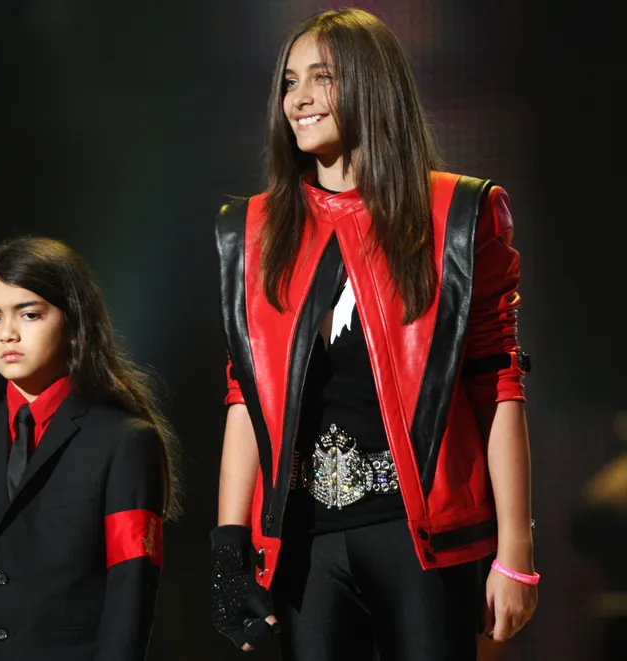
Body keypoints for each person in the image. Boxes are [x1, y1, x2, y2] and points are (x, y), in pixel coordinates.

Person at [209, 8, 537, 661]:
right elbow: (245, 395)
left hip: (424, 535)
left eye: (320, 78)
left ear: (370, 84)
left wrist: (516, 553)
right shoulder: (252, 232)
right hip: (307, 542)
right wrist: (229, 546)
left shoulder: (460, 214)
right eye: (288, 82)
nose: (297, 99)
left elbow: (497, 381)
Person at [0, 236, 180, 661]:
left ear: (75, 325)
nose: (7, 333)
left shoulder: (124, 442)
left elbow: (131, 587)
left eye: (29, 314)